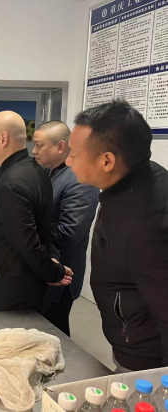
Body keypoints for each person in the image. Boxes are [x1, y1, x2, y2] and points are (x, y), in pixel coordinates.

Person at [67, 99, 168, 372]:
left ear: (107, 161)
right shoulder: (132, 183)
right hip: (130, 336)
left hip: (146, 360)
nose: (68, 161)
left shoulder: (148, 223)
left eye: (74, 154)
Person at [0, 111, 73, 313]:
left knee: (8, 333)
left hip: (13, 286)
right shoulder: (35, 171)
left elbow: (26, 242)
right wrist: (51, 261)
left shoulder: (12, 182)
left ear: (3, 139)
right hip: (26, 281)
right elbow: (45, 225)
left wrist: (53, 272)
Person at [32, 121, 99, 336]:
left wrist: (28, 228)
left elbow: (70, 232)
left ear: (61, 146)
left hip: (62, 272)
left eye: (39, 145)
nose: (34, 151)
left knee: (54, 332)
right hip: (42, 266)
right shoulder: (45, 172)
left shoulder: (80, 180)